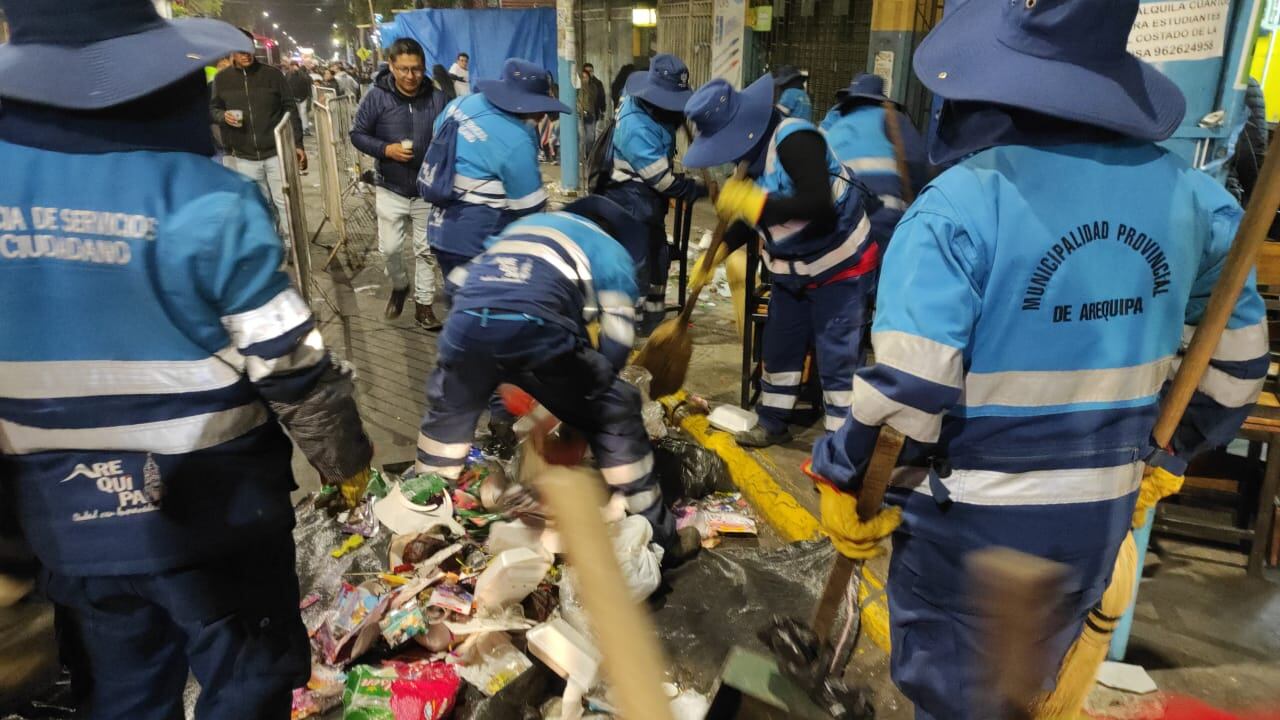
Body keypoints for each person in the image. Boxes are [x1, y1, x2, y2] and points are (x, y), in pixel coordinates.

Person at [806, 1, 1267, 718]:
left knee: (957, 699)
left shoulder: (958, 207)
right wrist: (1167, 455)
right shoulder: (1200, 204)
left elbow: (909, 396)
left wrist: (849, 480)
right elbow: (1237, 366)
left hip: (972, 531)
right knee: (1026, 691)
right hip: (1098, 521)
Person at [0, 2, 375, 718]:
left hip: (65, 519)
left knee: (125, 690)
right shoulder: (210, 201)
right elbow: (290, 364)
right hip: (213, 516)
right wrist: (346, 466)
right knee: (247, 681)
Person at [415, 195, 701, 563]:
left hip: (465, 321)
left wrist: (505, 398)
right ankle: (663, 539)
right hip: (534, 325)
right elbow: (614, 345)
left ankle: (421, 532)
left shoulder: (521, 230)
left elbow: (463, 288)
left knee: (445, 430)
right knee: (618, 410)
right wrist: (587, 412)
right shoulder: (612, 254)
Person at [684, 74, 879, 446]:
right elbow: (756, 220)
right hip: (791, 272)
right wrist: (718, 253)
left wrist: (753, 203)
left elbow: (817, 203)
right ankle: (773, 420)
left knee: (836, 354)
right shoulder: (749, 158)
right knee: (780, 346)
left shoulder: (795, 140)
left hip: (840, 267)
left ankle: (842, 443)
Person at [422, 57, 569, 294]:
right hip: (476, 239)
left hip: (440, 228)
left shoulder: (461, 104)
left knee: (460, 304)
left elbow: (438, 136)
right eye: (542, 109)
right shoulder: (516, 140)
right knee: (483, 311)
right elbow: (529, 207)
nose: (543, 117)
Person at [600, 54, 706, 333]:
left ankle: (653, 322)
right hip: (629, 199)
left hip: (648, 202)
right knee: (637, 266)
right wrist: (695, 189)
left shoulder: (655, 109)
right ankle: (628, 330)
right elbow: (663, 181)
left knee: (659, 258)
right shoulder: (636, 126)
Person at [350, 37, 448, 330]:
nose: (410, 76)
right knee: (391, 249)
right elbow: (357, 134)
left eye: (416, 69)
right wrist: (386, 150)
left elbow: (452, 134)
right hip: (390, 187)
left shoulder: (438, 98)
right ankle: (400, 285)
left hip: (427, 190)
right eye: (403, 69)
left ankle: (424, 306)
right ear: (391, 66)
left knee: (426, 251)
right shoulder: (376, 96)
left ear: (424, 67)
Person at [210, 33, 306, 249]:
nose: (246, 54)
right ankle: (271, 245)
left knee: (285, 202)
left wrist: (297, 143)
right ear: (231, 51)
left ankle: (293, 247)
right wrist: (222, 117)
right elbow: (214, 108)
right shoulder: (222, 79)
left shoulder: (273, 75)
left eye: (249, 49)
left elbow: (290, 109)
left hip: (276, 152)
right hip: (244, 155)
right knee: (260, 205)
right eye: (240, 50)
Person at [821, 73, 928, 252]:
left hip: (840, 226)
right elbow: (918, 164)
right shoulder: (893, 120)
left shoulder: (835, 129)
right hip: (883, 221)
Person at [578, 62, 607, 155]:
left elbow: (600, 98)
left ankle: (588, 153)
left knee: (590, 137)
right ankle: (582, 156)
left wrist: (603, 110)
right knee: (582, 136)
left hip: (592, 114)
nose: (589, 73)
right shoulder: (577, 87)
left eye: (591, 71)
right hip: (579, 115)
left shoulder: (596, 85)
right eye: (587, 71)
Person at [287, 60, 314, 135]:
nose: (292, 67)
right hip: (293, 97)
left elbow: (308, 81)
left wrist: (298, 71)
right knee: (296, 114)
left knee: (303, 112)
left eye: (293, 65)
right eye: (291, 66)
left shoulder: (302, 74)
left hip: (303, 96)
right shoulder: (288, 74)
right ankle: (297, 129)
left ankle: (305, 128)